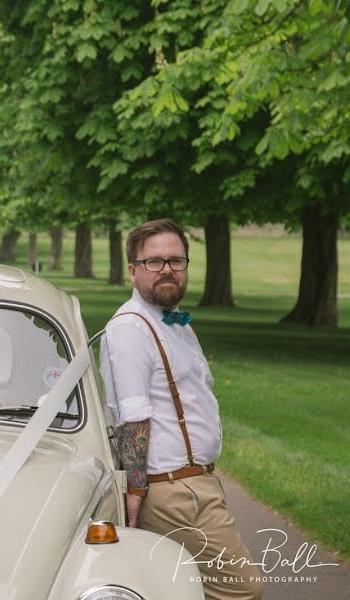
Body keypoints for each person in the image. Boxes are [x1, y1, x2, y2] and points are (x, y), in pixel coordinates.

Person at [100, 219, 263, 600]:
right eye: (154, 262)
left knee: (176, 589)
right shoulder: (130, 328)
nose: (167, 269)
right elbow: (133, 416)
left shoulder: (177, 325)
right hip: (171, 489)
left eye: (176, 260)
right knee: (240, 589)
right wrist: (135, 496)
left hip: (194, 484)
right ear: (133, 270)